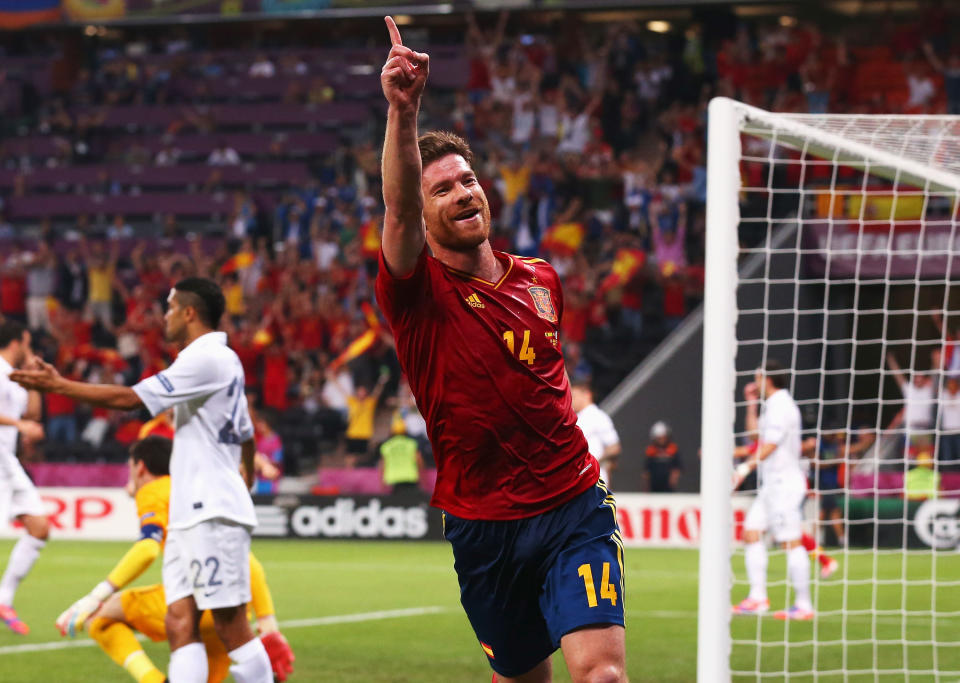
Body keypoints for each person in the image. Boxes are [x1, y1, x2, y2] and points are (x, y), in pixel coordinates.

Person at [374, 17, 625, 683]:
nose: (462, 193)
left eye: (466, 181)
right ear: (422, 216)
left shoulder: (541, 278)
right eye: (441, 189)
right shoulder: (416, 293)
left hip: (572, 504)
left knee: (601, 673)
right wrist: (405, 108)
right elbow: (394, 211)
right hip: (482, 524)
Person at [11, 277, 273, 683]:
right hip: (191, 513)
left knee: (230, 622)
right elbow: (246, 432)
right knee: (178, 621)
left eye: (169, 308)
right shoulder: (222, 361)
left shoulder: (207, 359)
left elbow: (131, 400)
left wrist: (59, 385)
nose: (164, 317)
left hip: (211, 511)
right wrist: (250, 471)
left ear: (189, 313)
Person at [55, 436, 294, 683]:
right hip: (230, 610)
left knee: (100, 616)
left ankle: (153, 680)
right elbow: (244, 557)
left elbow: (147, 549)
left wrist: (95, 597)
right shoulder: (196, 490)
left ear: (140, 467)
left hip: (188, 608)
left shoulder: (153, 491)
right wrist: (268, 621)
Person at [732, 359, 813, 621]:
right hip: (771, 486)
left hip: (785, 485)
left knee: (790, 542)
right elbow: (757, 437)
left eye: (757, 378)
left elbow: (770, 446)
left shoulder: (782, 407)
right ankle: (758, 598)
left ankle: (803, 605)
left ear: (767, 378)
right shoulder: (771, 407)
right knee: (752, 533)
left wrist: (745, 468)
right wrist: (751, 404)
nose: (754, 384)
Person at [0, 321, 49, 635]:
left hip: (7, 462)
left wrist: (35, 381)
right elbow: (24, 422)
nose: (30, 349)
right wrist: (19, 426)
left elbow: (32, 416)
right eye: (28, 343)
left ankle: (3, 599)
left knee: (39, 528)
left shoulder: (13, 378)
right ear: (17, 342)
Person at [571, 379, 622, 487]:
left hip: (594, 480)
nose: (571, 400)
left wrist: (590, 465)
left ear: (587, 395)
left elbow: (614, 447)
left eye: (574, 396)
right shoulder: (576, 418)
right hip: (577, 480)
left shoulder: (598, 416)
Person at [377, 414, 423, 493]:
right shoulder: (412, 444)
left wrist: (382, 482)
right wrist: (421, 476)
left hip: (392, 479)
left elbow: (382, 465)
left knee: (396, 504)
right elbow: (419, 460)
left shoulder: (386, 446)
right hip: (410, 477)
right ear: (405, 430)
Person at [643, 421, 682, 493]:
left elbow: (677, 467)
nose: (661, 440)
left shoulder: (673, 449)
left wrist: (674, 478)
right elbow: (646, 471)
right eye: (659, 438)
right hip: (654, 486)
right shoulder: (651, 450)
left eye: (663, 437)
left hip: (668, 487)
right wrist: (646, 486)